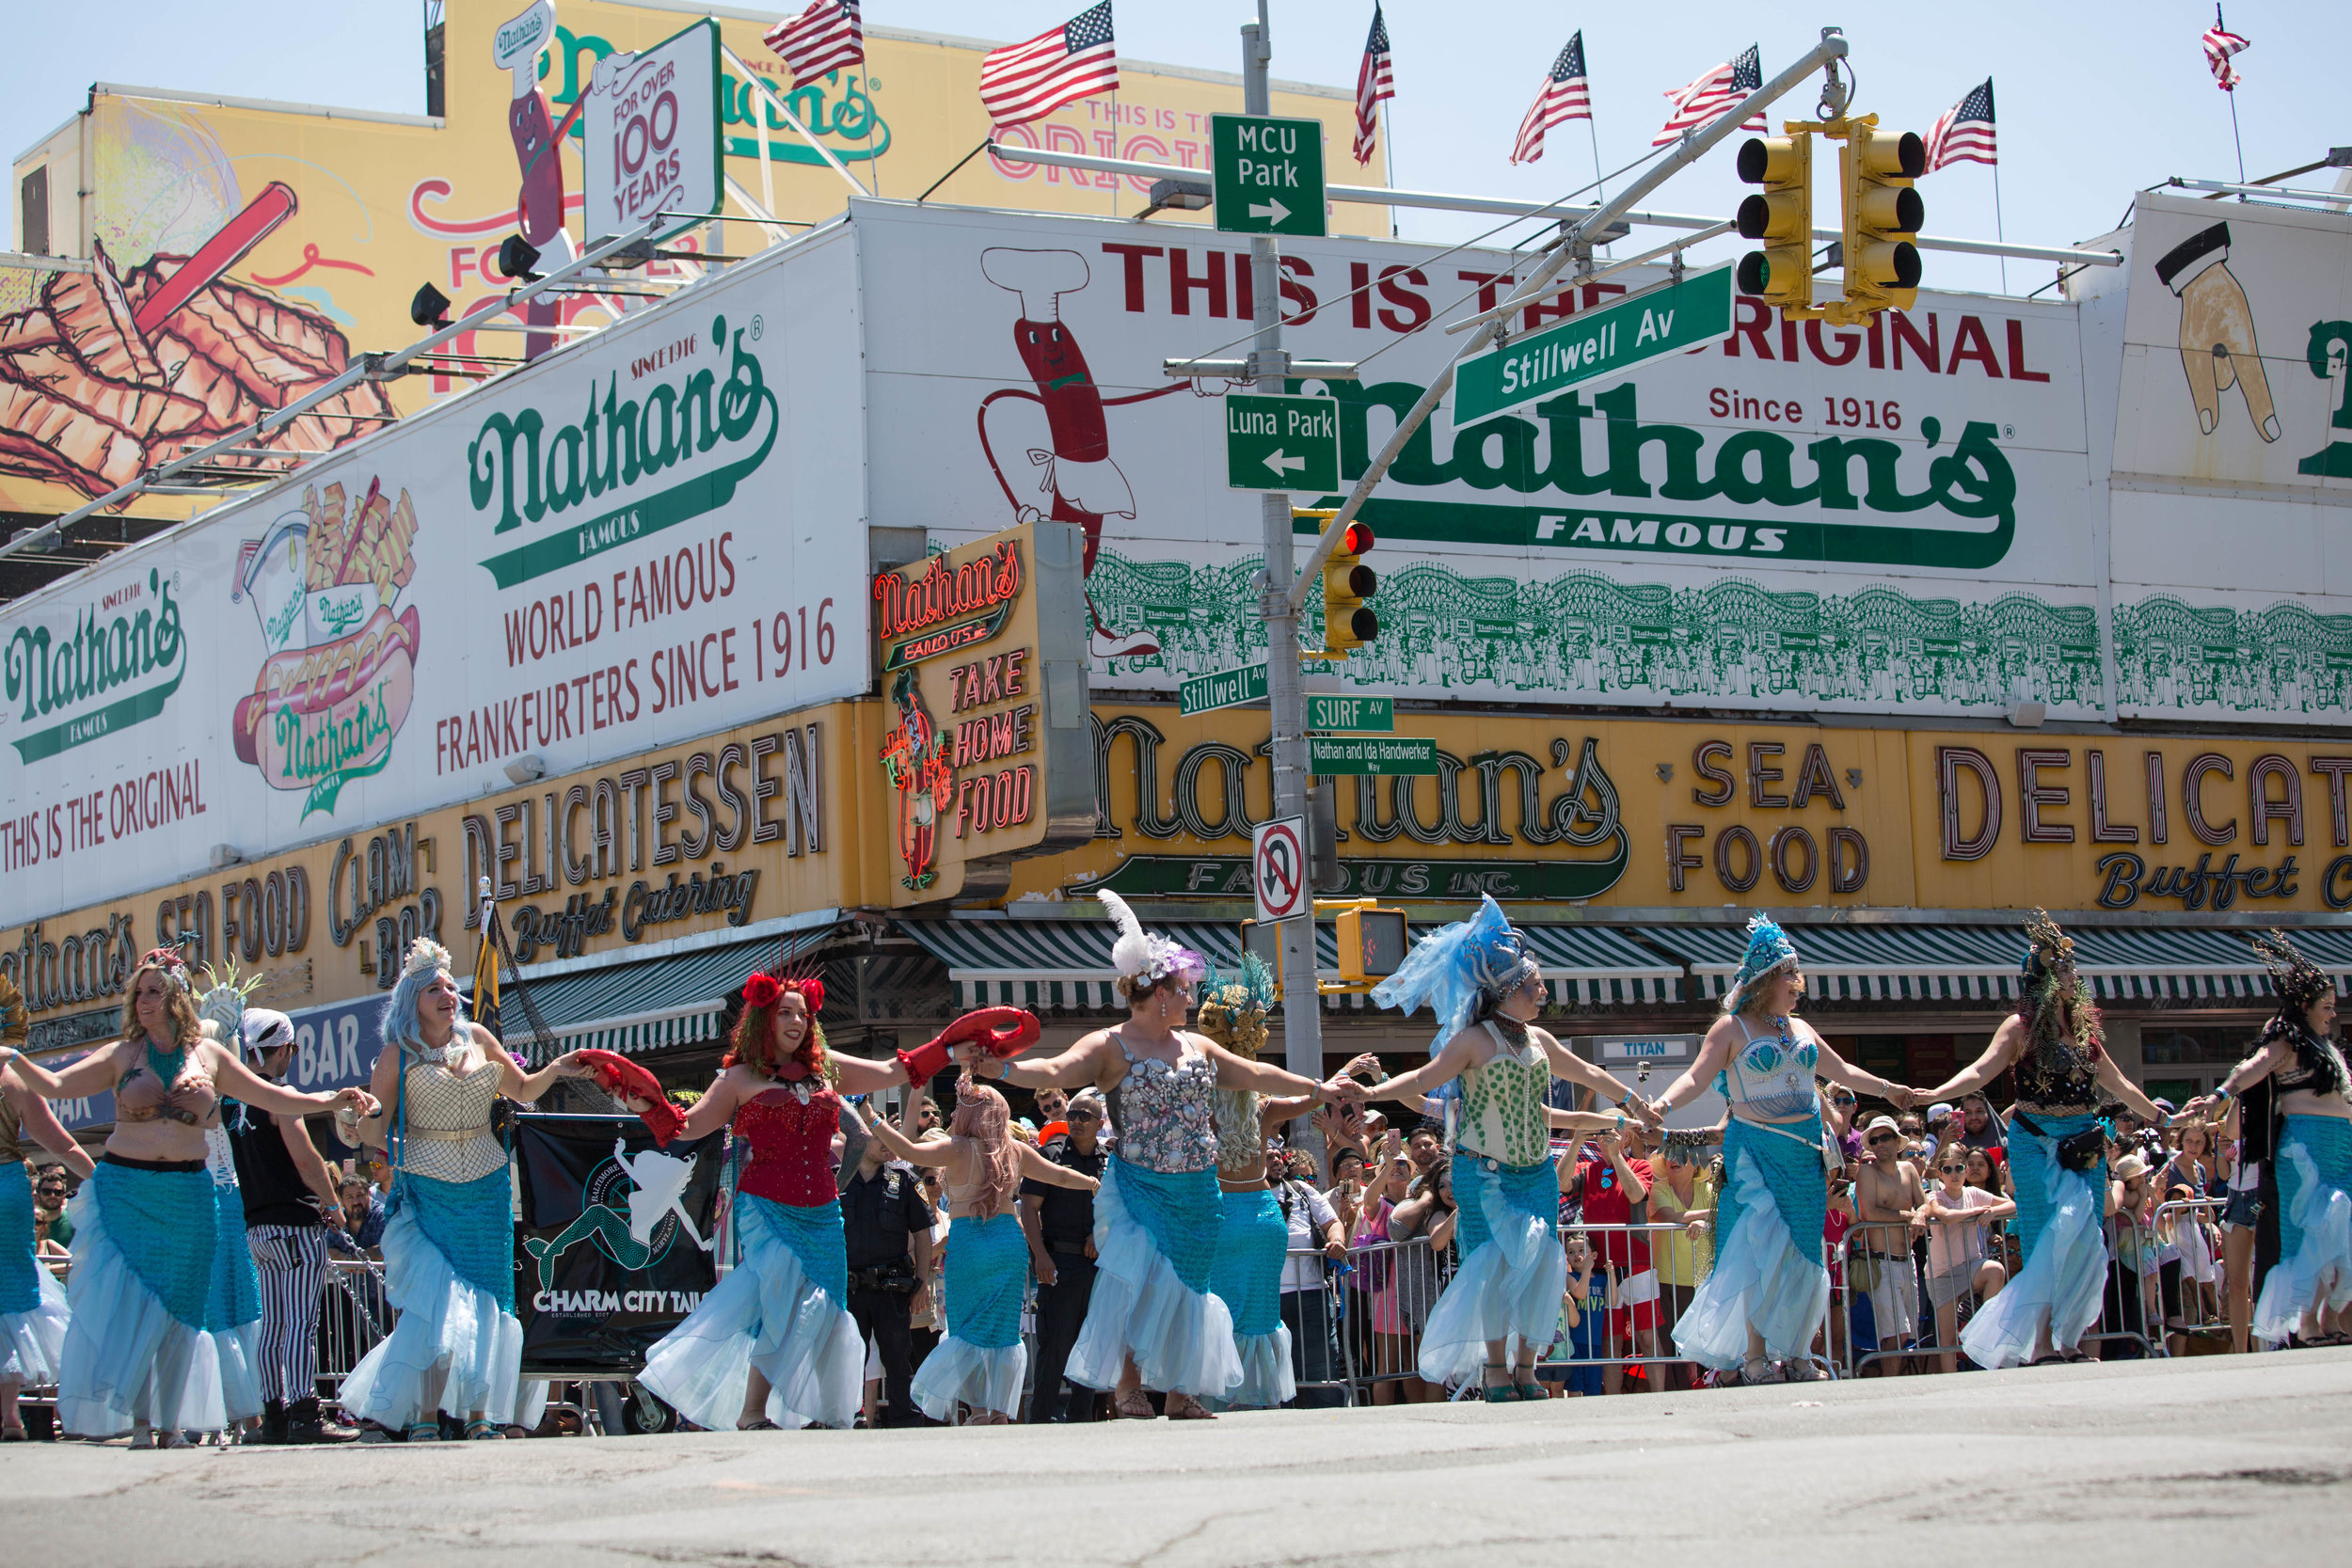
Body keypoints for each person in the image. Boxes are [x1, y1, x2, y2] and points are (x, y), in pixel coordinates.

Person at [963, 892, 1364, 1420]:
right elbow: (1057, 1070)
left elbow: (1259, 1074)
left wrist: (1319, 1087)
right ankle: (1129, 1386)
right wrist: (1008, 1071)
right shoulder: (1111, 1045)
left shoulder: (1196, 1046)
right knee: (1137, 1282)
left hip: (1199, 1191)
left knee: (1190, 1290)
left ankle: (1179, 1392)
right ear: (1159, 993)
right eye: (1185, 988)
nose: (1191, 996)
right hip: (1140, 1189)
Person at [3, 950, 376, 1447]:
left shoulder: (209, 1056)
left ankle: (171, 1424)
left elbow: (274, 1098)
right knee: (139, 1306)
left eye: (153, 991)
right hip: (129, 1192)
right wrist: (11, 1057)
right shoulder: (121, 1055)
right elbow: (53, 1084)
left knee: (183, 1311)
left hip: (190, 1193)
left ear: (177, 997)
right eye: (137, 992)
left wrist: (331, 1100)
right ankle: (141, 1424)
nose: (142, 1001)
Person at [612, 968, 969, 1432]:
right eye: (785, 1012)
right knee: (781, 1300)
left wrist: (948, 1046)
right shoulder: (739, 1077)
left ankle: (831, 1411)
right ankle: (750, 1412)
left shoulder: (827, 1071)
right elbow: (683, 1129)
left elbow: (890, 1072)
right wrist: (639, 1098)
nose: (796, 1020)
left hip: (823, 1213)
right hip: (766, 1208)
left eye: (803, 1013)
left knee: (823, 1309)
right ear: (764, 1019)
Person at [1359, 895, 1657, 1401]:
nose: (1542, 988)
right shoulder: (1476, 1040)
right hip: (1485, 1175)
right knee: (1492, 1268)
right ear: (1509, 991)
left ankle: (1526, 1369)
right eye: (1534, 981)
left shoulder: (1538, 1039)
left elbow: (1586, 1072)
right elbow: (1425, 1077)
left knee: (1543, 1266)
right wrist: (1373, 1091)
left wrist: (1633, 1102)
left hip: (1536, 1174)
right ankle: (1496, 1370)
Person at [330, 941, 583, 1442]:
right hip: (429, 1190)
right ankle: (425, 1414)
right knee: (438, 1303)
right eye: (433, 989)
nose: (448, 994)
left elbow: (525, 1090)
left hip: (488, 1190)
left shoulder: (480, 1038)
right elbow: (375, 1135)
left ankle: (480, 1415)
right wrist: (353, 1121)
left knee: (490, 1305)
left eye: (450, 985)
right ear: (412, 1002)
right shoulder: (396, 1055)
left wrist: (556, 1070)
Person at [1648, 915, 1915, 1386]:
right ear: (1766, 980)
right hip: (1754, 1151)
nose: (1798, 985)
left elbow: (1845, 1071)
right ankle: (1753, 1355)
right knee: (1760, 1247)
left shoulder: (1802, 1028)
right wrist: (1663, 1104)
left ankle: (1794, 1353)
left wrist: (1888, 1088)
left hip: (1804, 1155)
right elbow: (1697, 1076)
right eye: (1789, 976)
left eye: (1797, 975)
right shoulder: (1731, 1029)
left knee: (1803, 1256)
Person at [1920, 911, 2173, 1369]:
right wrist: (1939, 1093)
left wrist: (2159, 1114)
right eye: (2063, 969)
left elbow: (2117, 1083)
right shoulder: (2020, 1029)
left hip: (2082, 1145)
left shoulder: (2084, 1036)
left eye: (2073, 969)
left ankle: (2070, 1338)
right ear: (2044, 980)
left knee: (2083, 1240)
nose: (2073, 976)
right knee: (2043, 1240)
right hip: (2035, 1143)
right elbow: (1982, 1068)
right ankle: (2039, 1343)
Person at [866, 1075, 1097, 1424]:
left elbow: (907, 1151)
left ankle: (976, 1411)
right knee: (1004, 1333)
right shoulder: (1014, 1149)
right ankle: (1001, 1412)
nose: (956, 1112)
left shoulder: (956, 1148)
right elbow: (1060, 1176)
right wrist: (1093, 1182)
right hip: (1007, 1244)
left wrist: (871, 1117)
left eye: (960, 1108)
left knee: (966, 1329)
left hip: (969, 1244)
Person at [2184, 931, 2352, 1348]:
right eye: (2325, 1007)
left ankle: (2332, 1318)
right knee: (2312, 1232)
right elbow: (2251, 1069)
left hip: (2342, 1146)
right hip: (2306, 1148)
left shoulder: (2326, 1046)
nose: (2332, 1014)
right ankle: (2307, 1323)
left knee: (2343, 1233)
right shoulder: (2287, 1039)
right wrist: (2223, 1093)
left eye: (2334, 1006)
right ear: (2305, 1007)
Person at [1197, 958, 1327, 1410]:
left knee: (1221, 1308)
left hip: (1222, 1217)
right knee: (1254, 1313)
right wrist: (1338, 1080)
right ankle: (1252, 1398)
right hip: (1256, 1216)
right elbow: (1310, 1093)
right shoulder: (1262, 1105)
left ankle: (1219, 1394)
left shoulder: (1198, 1103)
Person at [224, 1005, 349, 1446]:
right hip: (294, 1224)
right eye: (289, 1049)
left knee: (273, 1326)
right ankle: (304, 1413)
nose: (289, 1058)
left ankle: (274, 1414)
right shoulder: (278, 1096)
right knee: (299, 1325)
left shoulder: (230, 1102)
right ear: (276, 1050)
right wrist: (332, 1203)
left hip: (257, 1227)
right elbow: (306, 1158)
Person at [1, 972, 88, 1442]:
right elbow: (56, 1140)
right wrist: (102, 1176)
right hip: (8, 1188)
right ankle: (10, 1414)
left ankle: (12, 1416)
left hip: (8, 1191)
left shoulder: (13, 1076)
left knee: (11, 1288)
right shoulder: (14, 1078)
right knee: (12, 1291)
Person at [840, 1115, 936, 1428]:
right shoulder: (835, 1180)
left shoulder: (906, 1179)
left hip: (891, 1287)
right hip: (848, 1288)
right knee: (847, 1356)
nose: (887, 1143)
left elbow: (923, 1234)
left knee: (897, 1356)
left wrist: (921, 1282)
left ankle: (903, 1418)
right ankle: (847, 1414)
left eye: (890, 1136)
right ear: (858, 1141)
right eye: (879, 1137)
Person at [1021, 1087, 1108, 1421]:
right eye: (1072, 1114)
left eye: (1084, 1116)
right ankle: (1040, 1419)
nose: (1076, 1121)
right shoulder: (1051, 1155)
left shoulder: (1109, 1161)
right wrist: (1040, 1255)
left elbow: (1122, 1210)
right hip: (1059, 1264)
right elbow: (1029, 1209)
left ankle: (1082, 1419)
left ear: (1100, 1123)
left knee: (1090, 1347)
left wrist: (1103, 1234)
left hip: (1097, 1266)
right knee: (1054, 1349)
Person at [1565, 1126, 1655, 1394]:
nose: (1606, 1136)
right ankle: (1613, 1401)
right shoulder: (1587, 1167)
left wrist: (1617, 1156)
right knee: (1610, 1340)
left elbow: (1636, 1195)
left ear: (1627, 1137)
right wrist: (1577, 1140)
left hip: (1637, 1260)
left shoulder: (1640, 1165)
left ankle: (1662, 1397)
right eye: (1601, 1131)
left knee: (1647, 1336)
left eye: (1615, 1132)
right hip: (1603, 1267)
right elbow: (1561, 1184)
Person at [1922, 1145, 2013, 1374]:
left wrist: (1993, 1212)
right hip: (1942, 1273)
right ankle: (1951, 1381)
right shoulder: (1935, 1195)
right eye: (1948, 1169)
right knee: (1947, 1335)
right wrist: (1978, 1212)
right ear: (1940, 1174)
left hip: (1972, 1265)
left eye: (1959, 1168)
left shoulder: (1974, 1194)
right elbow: (1946, 1217)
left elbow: (2013, 1205)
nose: (1955, 1173)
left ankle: (1983, 1325)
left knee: (1995, 1270)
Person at [1851, 1115, 1927, 1376]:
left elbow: (1925, 1202)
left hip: (1909, 1261)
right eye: (1874, 1139)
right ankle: (1889, 1387)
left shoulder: (1909, 1169)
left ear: (1898, 1141)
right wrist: (1908, 1215)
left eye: (1885, 1137)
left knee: (1905, 1334)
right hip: (1881, 1263)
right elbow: (1869, 1213)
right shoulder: (1867, 1172)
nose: (1880, 1143)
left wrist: (1920, 1213)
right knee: (1895, 1333)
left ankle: (1895, 1385)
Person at [32, 1167, 74, 1252]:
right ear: (37, 1194)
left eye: (58, 1192)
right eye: (46, 1192)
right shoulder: (28, 1222)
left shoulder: (75, 1221)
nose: (52, 1195)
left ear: (64, 1195)